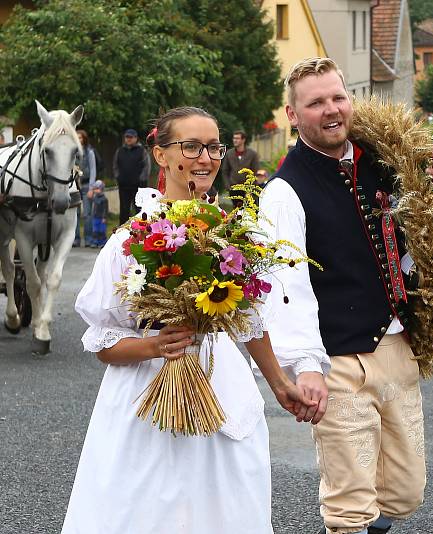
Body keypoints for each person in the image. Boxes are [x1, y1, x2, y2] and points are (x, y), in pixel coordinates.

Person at [62, 107, 316, 534]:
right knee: (148, 507)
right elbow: (103, 339)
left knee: (222, 506)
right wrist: (155, 346)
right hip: (146, 396)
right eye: (191, 146)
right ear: (161, 156)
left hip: (221, 387)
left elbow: (251, 322)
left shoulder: (236, 235)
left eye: (213, 147)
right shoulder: (132, 239)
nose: (206, 158)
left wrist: (280, 384)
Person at [258, 57, 433, 534]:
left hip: (398, 347)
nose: (331, 110)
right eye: (315, 102)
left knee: (403, 493)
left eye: (338, 97)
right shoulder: (284, 190)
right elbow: (287, 285)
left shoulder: (390, 159)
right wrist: (305, 367)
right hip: (337, 359)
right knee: (349, 504)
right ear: (292, 115)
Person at [112, 128, 150, 224]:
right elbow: (115, 165)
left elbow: (147, 166)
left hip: (139, 187)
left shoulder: (142, 151)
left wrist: (141, 179)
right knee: (124, 211)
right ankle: (122, 233)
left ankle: (142, 230)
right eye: (127, 137)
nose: (128, 139)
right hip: (124, 186)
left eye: (131, 137)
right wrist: (118, 177)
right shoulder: (119, 151)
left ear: (136, 138)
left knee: (140, 210)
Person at [74, 129, 97, 247]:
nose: (79, 140)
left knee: (87, 214)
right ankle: (76, 239)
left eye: (81, 137)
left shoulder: (90, 152)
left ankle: (88, 239)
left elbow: (93, 170)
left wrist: (91, 188)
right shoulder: (72, 152)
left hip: (87, 185)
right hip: (75, 185)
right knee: (75, 213)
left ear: (84, 139)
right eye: (77, 137)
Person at [88, 180, 109, 248]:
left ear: (101, 189)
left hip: (102, 218)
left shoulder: (104, 199)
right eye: (95, 189)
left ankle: (102, 242)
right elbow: (90, 199)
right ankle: (95, 242)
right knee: (95, 230)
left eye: (97, 189)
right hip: (95, 217)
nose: (95, 190)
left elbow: (105, 209)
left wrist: (104, 217)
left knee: (102, 231)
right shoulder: (95, 197)